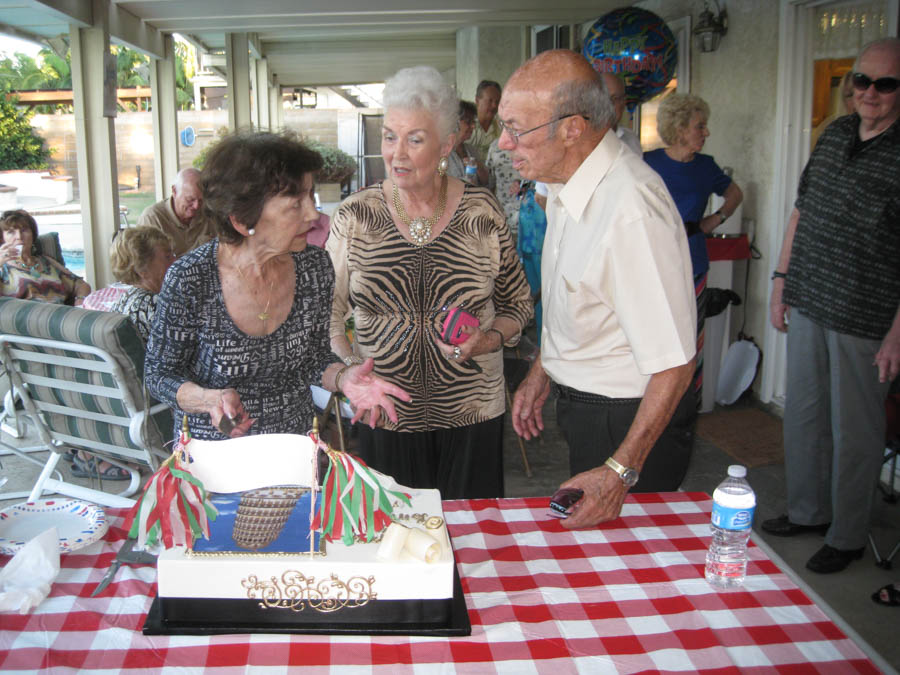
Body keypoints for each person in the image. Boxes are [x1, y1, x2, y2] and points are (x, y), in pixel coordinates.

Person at [503, 50, 697, 529]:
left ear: (572, 128)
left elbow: (675, 363)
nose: (504, 143)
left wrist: (619, 470)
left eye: (517, 128)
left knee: (632, 571)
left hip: (628, 424)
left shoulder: (630, 209)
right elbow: (582, 299)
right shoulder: (566, 186)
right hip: (590, 411)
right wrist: (542, 369)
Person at [327, 66, 532, 499]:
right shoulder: (355, 216)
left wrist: (488, 339)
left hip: (472, 411)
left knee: (470, 542)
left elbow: (519, 306)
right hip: (386, 413)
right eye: (389, 136)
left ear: (446, 144)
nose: (396, 153)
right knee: (398, 542)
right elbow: (327, 315)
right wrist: (350, 373)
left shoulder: (482, 212)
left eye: (414, 139)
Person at [145, 130, 409, 442]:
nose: (313, 214)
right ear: (243, 221)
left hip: (293, 449)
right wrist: (210, 399)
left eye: (310, 197)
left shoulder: (314, 268)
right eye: (295, 204)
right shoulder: (191, 279)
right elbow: (159, 375)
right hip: (213, 456)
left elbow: (313, 358)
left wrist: (345, 378)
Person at [764, 38, 900, 574]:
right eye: (862, 81)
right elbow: (802, 212)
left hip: (867, 316)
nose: (870, 92)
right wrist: (780, 282)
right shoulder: (835, 134)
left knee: (856, 431)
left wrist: (896, 334)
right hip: (810, 298)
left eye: (886, 84)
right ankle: (807, 512)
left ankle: (846, 533)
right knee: (803, 415)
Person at [643, 93, 743, 400]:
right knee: (654, 331)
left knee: (690, 333)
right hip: (655, 260)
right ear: (680, 128)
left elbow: (735, 195)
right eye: (700, 126)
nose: (706, 132)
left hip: (693, 260)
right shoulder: (648, 163)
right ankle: (648, 397)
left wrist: (713, 221)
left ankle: (687, 398)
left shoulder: (706, 166)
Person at [0, 209, 91, 306]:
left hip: (62, 316)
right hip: (26, 319)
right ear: (2, 239)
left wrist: (80, 300)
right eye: (11, 232)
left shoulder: (46, 261)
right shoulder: (3, 268)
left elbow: (81, 285)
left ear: (33, 234)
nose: (19, 236)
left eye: (24, 230)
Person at [109, 226, 176, 344]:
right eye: (167, 257)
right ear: (142, 270)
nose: (175, 262)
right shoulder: (157, 305)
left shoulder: (122, 301)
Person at [138, 168, 212, 256]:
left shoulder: (209, 213)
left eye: (201, 200)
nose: (196, 206)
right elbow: (151, 265)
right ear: (174, 191)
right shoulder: (152, 218)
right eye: (190, 199)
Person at [446, 100, 488, 185]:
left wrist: (479, 167)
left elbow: (486, 182)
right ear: (454, 123)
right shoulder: (441, 152)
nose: (473, 126)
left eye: (473, 122)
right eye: (468, 122)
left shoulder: (472, 150)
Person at [601, 72, 642, 154]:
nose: (609, 104)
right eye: (603, 98)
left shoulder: (632, 141)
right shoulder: (578, 143)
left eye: (615, 98)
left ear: (624, 102)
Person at [469, 79, 502, 164]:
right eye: (490, 101)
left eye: (497, 102)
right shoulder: (467, 126)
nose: (494, 105)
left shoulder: (501, 127)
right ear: (477, 101)